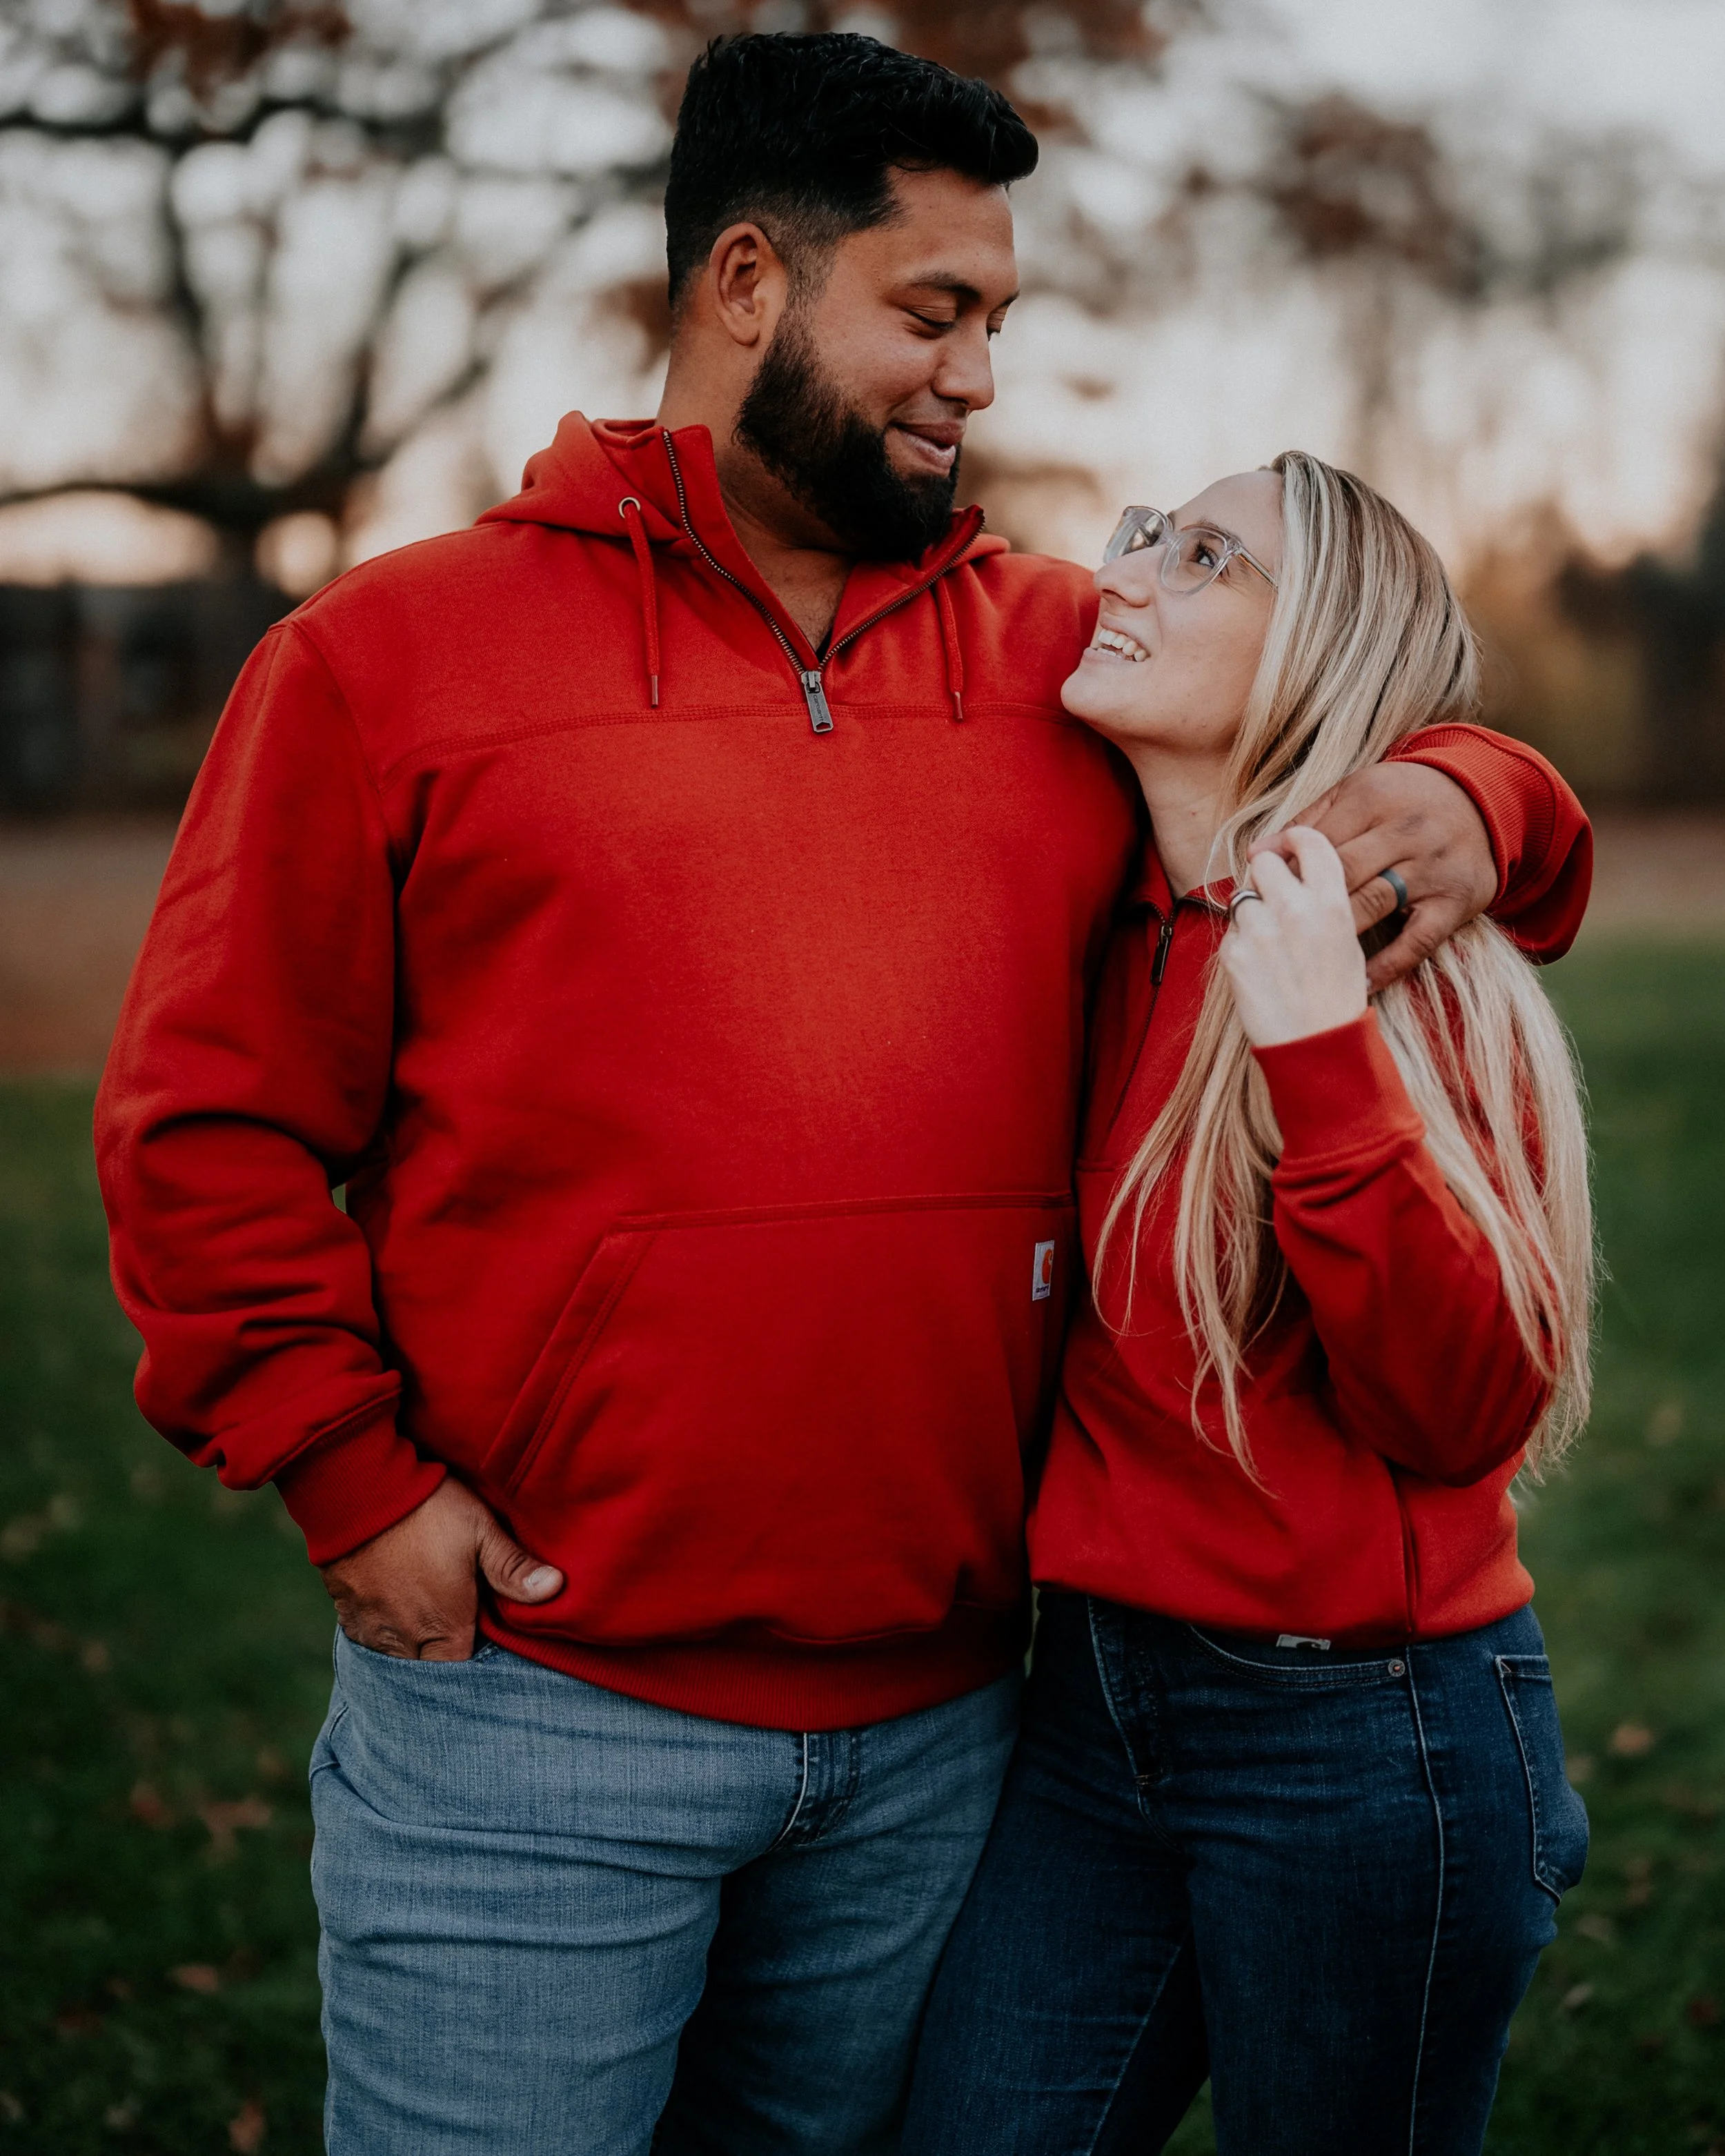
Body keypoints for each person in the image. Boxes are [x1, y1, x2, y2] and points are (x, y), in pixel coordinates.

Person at [95, 34, 1591, 2156]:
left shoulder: (1061, 654)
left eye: (998, 320)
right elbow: (205, 1120)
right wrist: (348, 1479)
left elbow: (1324, 689)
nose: (977, 375)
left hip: (947, 1733)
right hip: (535, 1710)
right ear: (744, 286)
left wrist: (1481, 793)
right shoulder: (383, 661)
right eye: (933, 311)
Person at [902, 455, 1595, 2156]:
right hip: (1089, 1707)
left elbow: (1460, 1410)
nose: (1121, 570)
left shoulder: (1398, 965)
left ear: (1315, 658)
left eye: (1203, 558)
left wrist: (1319, 1064)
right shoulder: (1107, 914)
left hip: (1363, 1743)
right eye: (1143, 527)